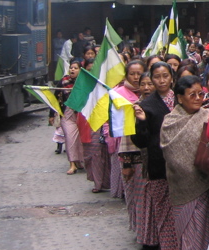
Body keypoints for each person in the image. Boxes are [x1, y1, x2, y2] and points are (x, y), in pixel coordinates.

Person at [160, 75, 209, 250]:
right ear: (179, 98)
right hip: (184, 187)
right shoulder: (170, 121)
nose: (197, 99)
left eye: (200, 94)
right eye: (192, 95)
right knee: (191, 235)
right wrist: (194, 169)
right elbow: (174, 155)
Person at [133, 61, 179, 250]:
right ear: (151, 80)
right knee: (164, 214)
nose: (162, 80)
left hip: (183, 167)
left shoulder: (182, 97)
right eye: (157, 76)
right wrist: (141, 121)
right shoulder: (147, 105)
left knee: (181, 213)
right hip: (159, 165)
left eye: (165, 76)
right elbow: (140, 141)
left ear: (171, 77)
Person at [115, 60, 145, 232]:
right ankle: (137, 228)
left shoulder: (149, 96)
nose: (135, 77)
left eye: (139, 73)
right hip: (129, 153)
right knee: (133, 196)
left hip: (147, 157)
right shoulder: (120, 95)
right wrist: (126, 162)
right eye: (132, 73)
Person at [81, 57, 110, 194]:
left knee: (98, 154)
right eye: (88, 70)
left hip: (102, 121)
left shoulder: (105, 85)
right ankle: (95, 178)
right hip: (85, 122)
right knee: (88, 155)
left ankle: (99, 183)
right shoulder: (81, 86)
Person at [56, 59, 83, 174]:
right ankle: (72, 163)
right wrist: (52, 114)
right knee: (70, 138)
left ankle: (79, 161)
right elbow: (55, 97)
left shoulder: (84, 82)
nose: (73, 69)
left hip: (81, 114)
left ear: (80, 70)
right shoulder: (63, 82)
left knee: (80, 140)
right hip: (67, 114)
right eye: (71, 67)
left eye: (76, 68)